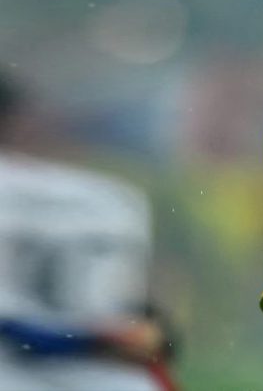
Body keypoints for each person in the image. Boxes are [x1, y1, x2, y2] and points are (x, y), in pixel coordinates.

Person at [0, 74, 176, 391]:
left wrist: (82, 340)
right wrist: (102, 339)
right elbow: (151, 325)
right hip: (115, 379)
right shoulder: (114, 196)